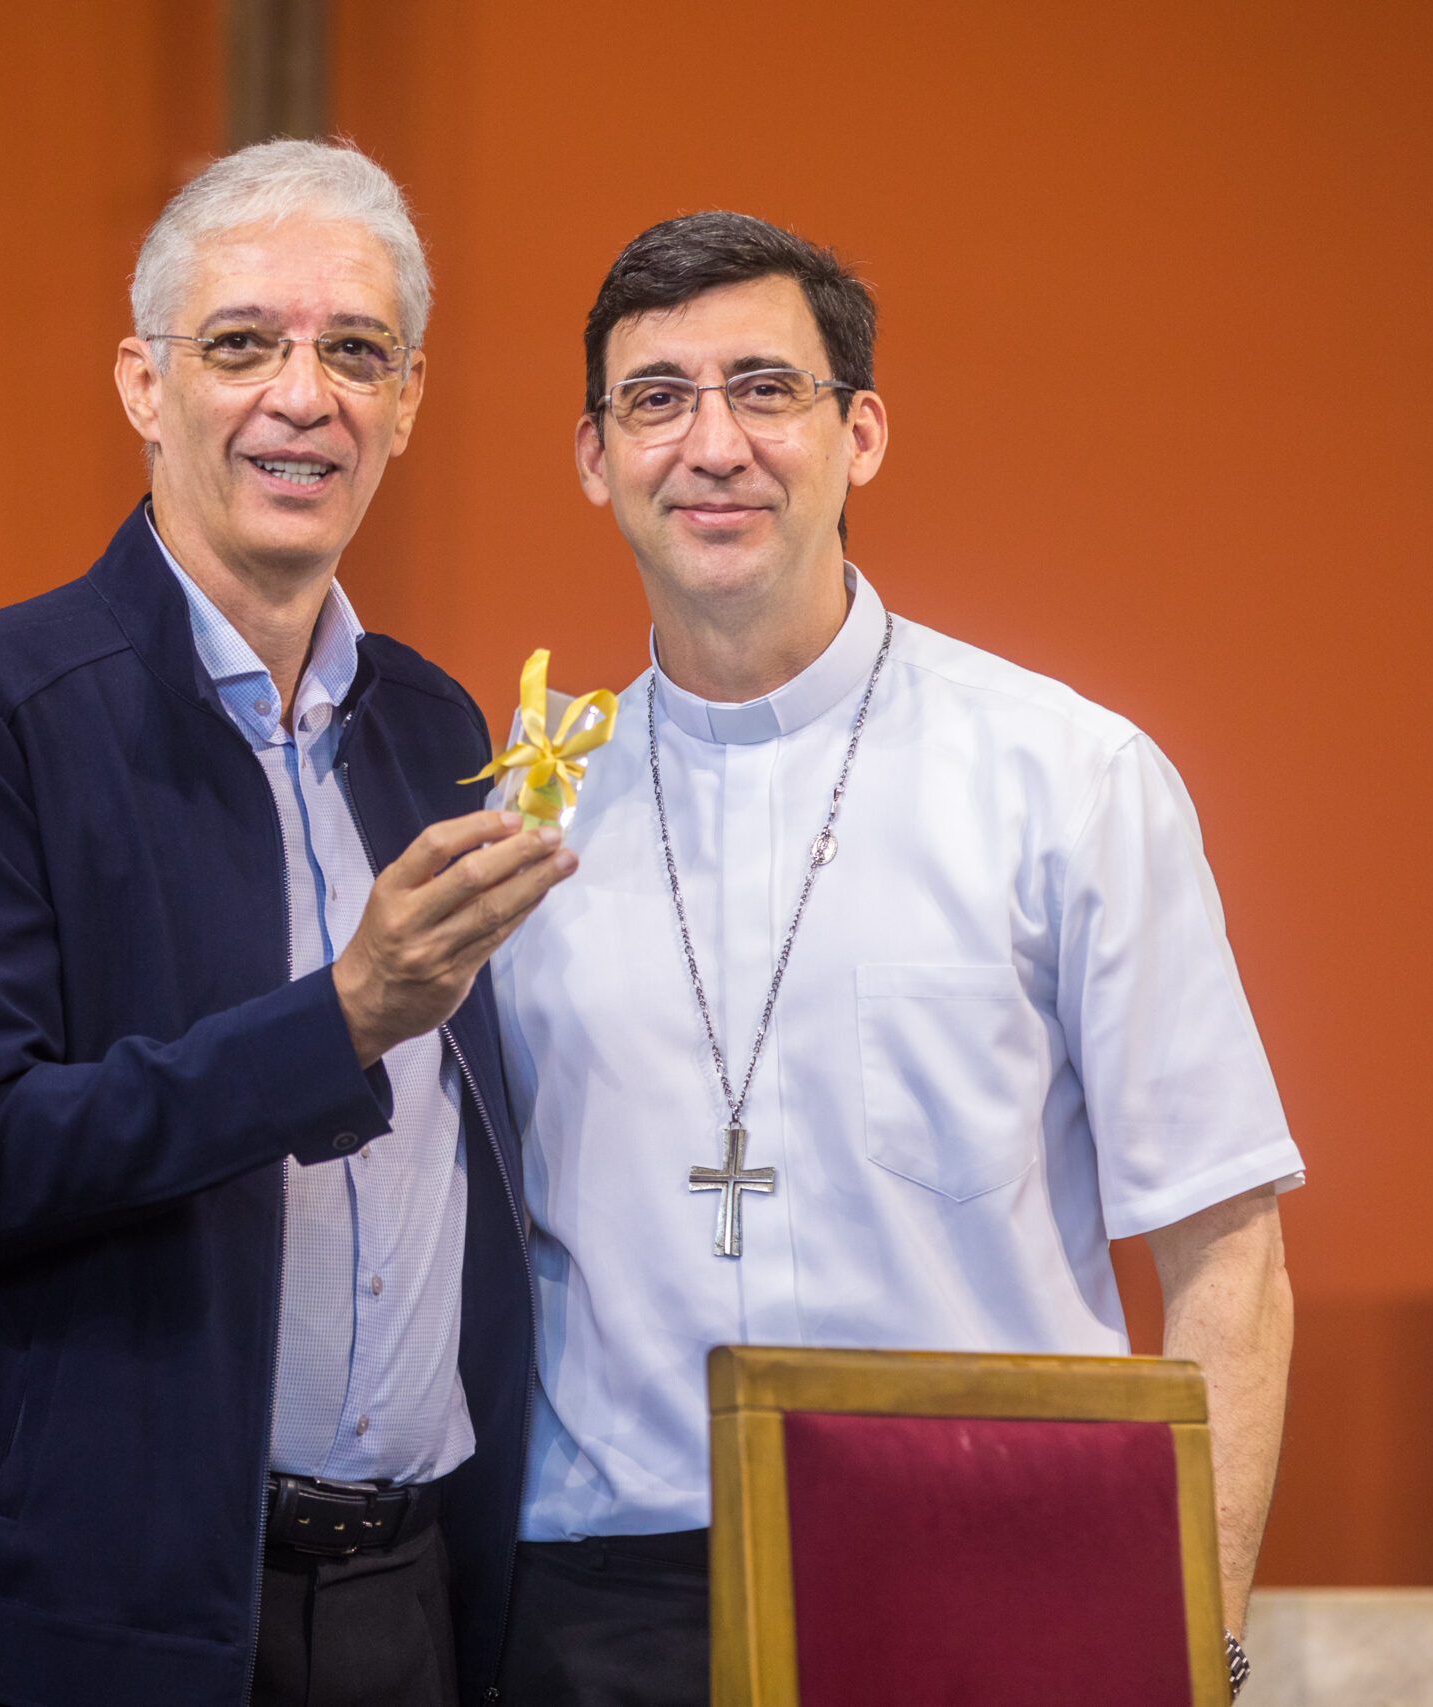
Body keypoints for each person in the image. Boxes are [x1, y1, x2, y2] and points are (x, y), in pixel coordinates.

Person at [491, 212, 1301, 1706]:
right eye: (655, 398)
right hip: (609, 1615)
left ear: (859, 433)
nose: (711, 443)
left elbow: (1226, 1255)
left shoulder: (1067, 779)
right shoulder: (522, 825)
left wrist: (1205, 1639)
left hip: (993, 1560)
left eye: (765, 388)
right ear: (596, 459)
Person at [0, 140, 572, 1707]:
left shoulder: (434, 724)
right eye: (241, 344)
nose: (303, 397)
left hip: (410, 1599)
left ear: (410, 404)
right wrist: (341, 1021)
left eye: (355, 353)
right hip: (100, 1617)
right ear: (141, 385)